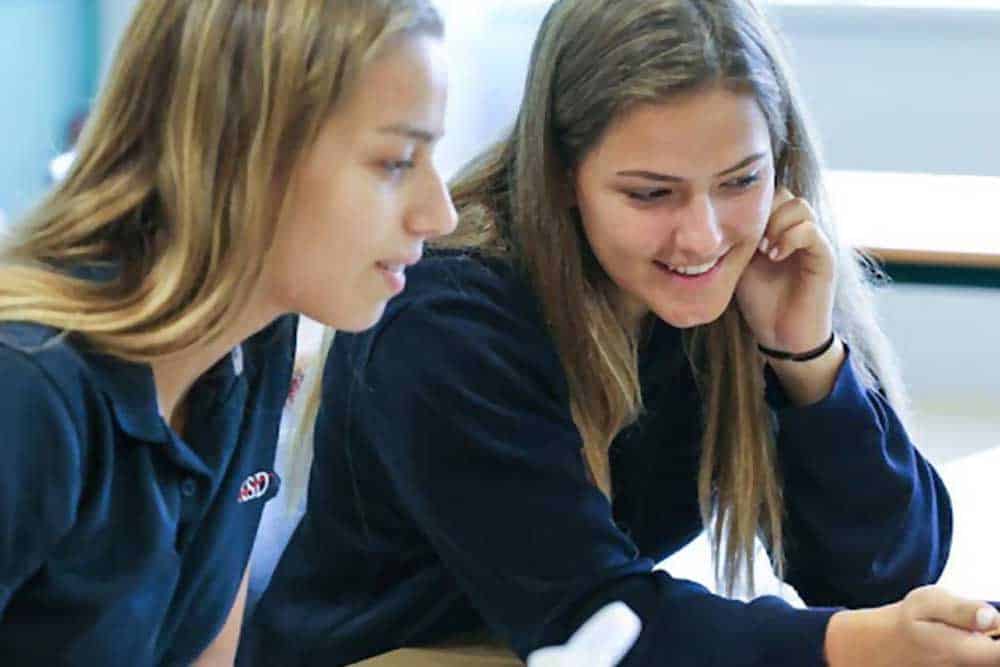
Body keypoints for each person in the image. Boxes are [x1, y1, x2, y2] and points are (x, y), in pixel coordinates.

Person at [245, 1, 1000, 665]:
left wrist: (805, 357)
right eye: (650, 194)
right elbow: (591, 624)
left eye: (741, 180)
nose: (703, 237)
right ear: (561, 177)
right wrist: (848, 645)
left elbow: (885, 580)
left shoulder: (745, 284)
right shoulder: (446, 318)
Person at [0, 0, 454, 664]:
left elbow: (205, 647)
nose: (438, 213)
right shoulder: (27, 389)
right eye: (395, 161)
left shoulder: (253, 342)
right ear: (241, 151)